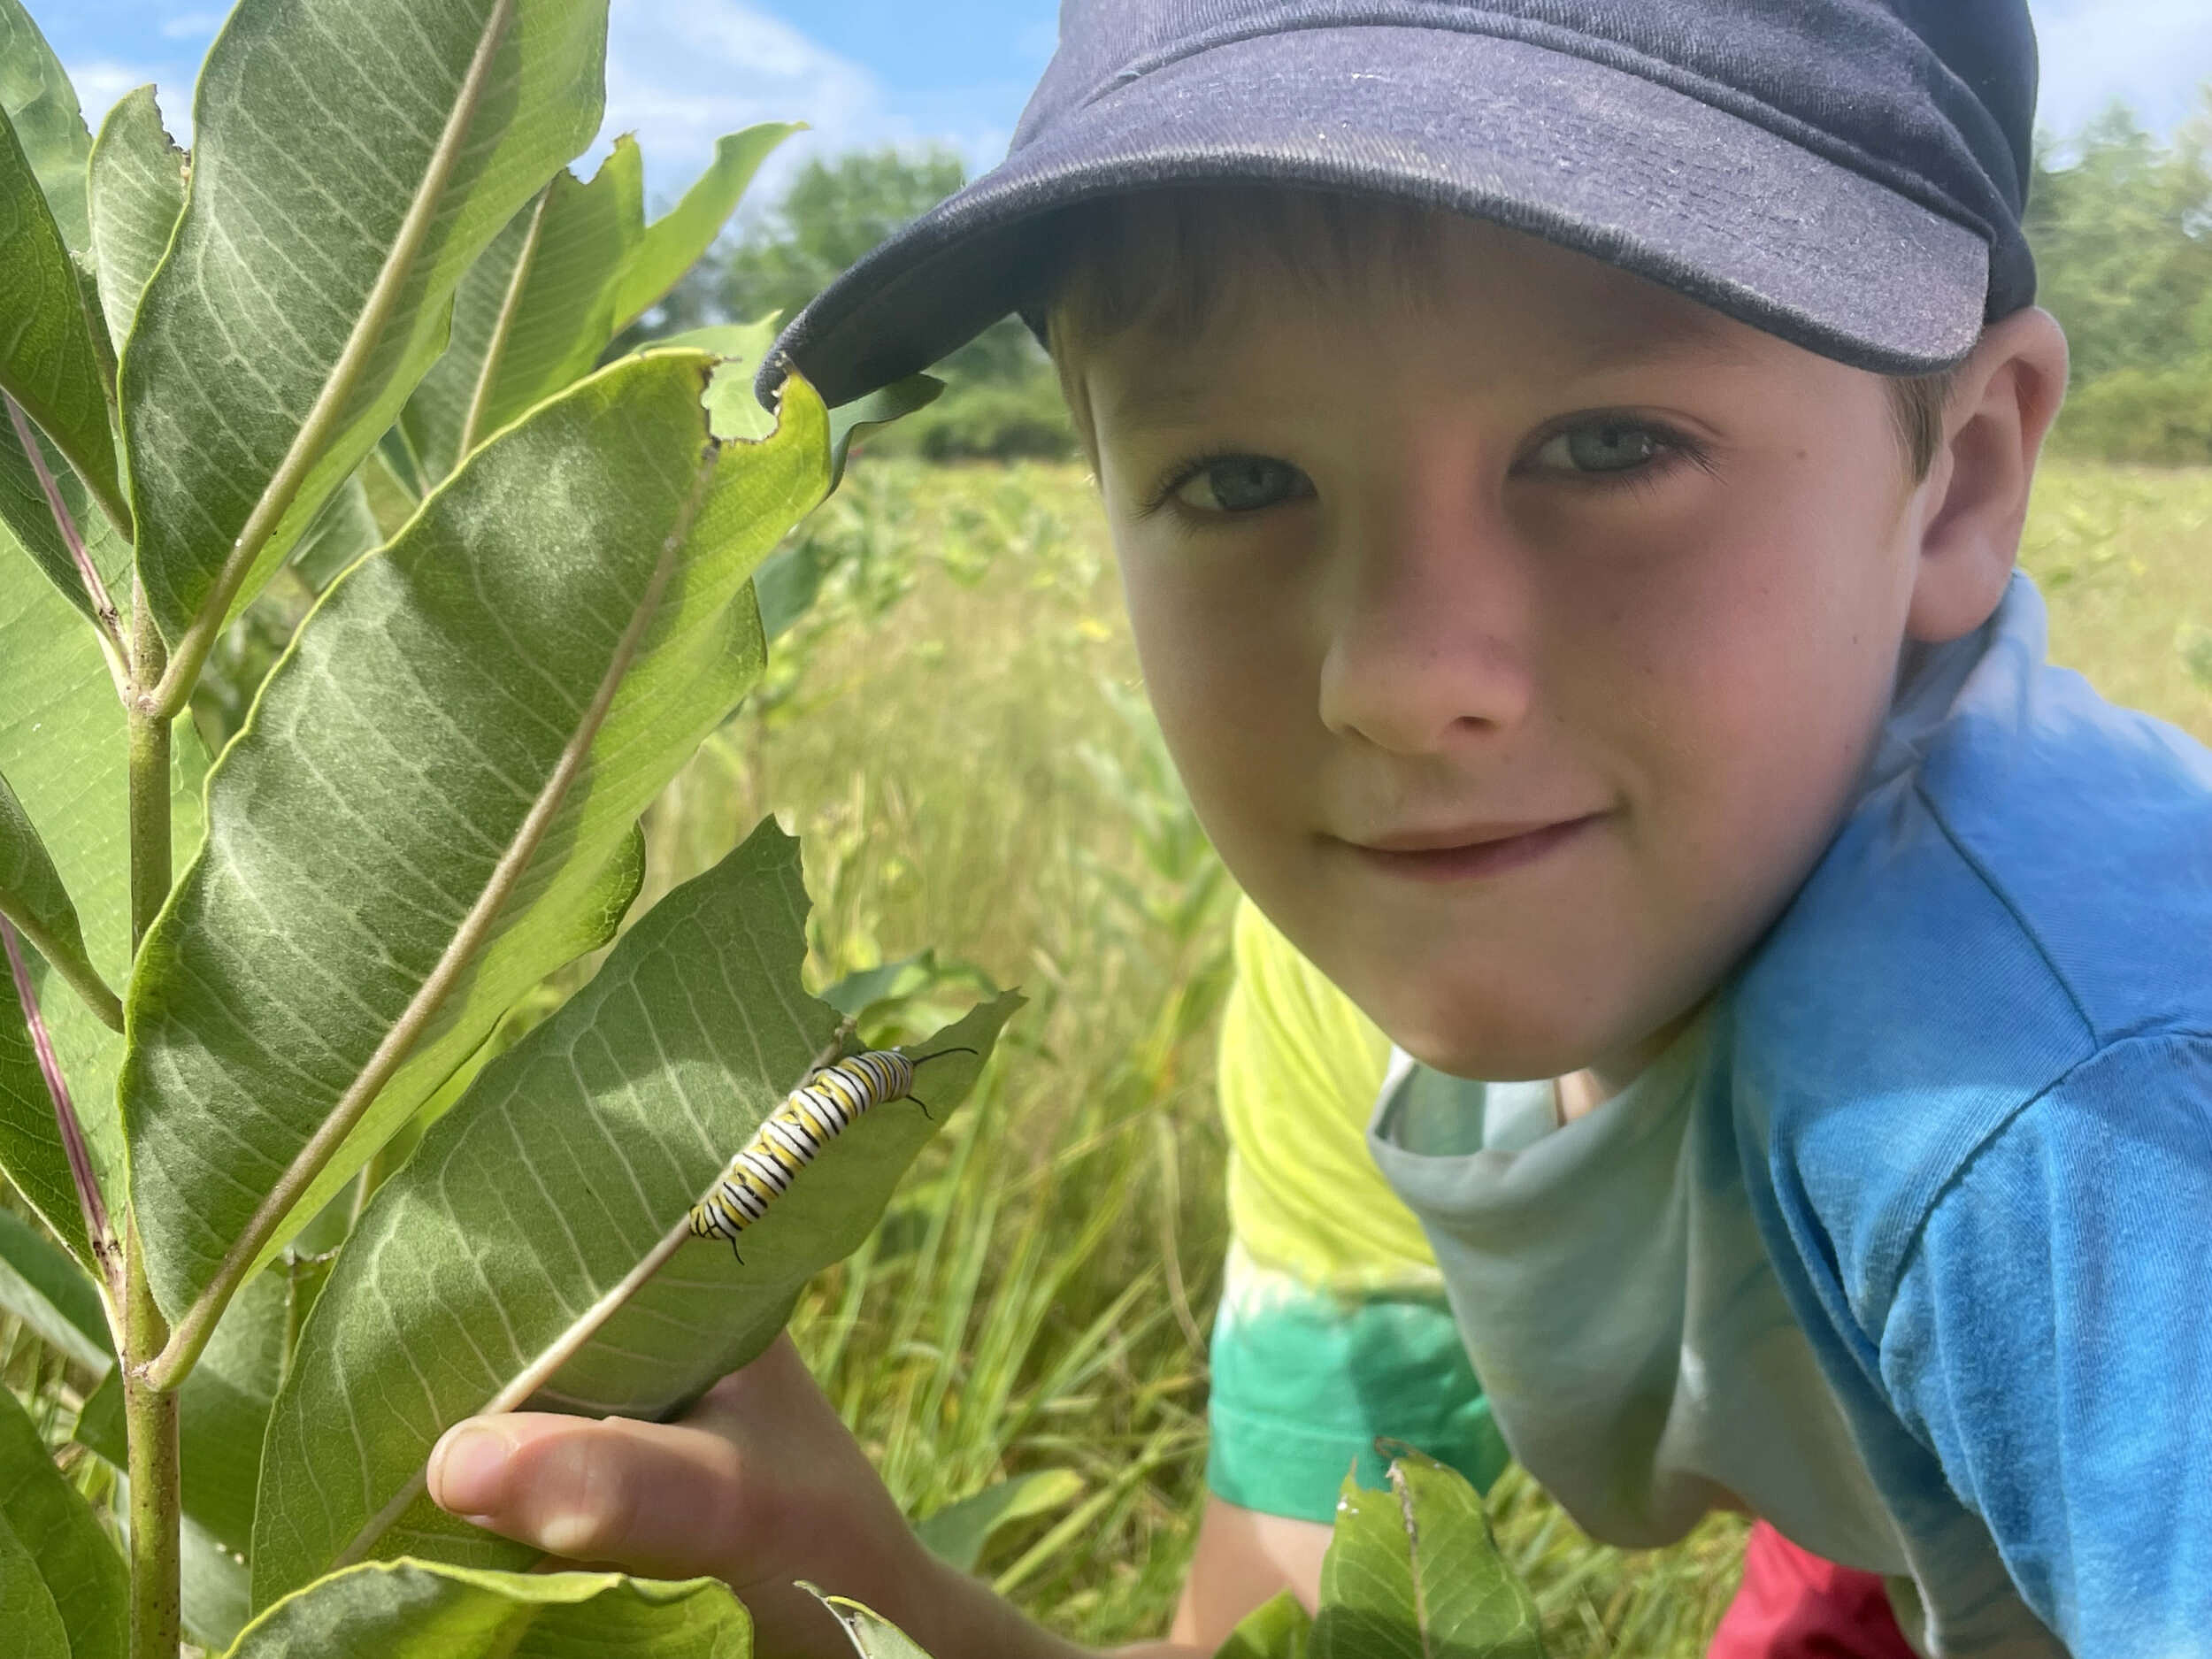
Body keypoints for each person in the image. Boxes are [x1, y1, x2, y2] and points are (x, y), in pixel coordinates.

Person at [420, 3, 2212, 1655]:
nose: (1398, 683)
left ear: (1962, 480)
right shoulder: (1382, 958)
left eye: (1606, 446)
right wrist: (856, 1589)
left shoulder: (2069, 1124)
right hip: (1889, 1497)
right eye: (1237, 478)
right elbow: (1257, 1630)